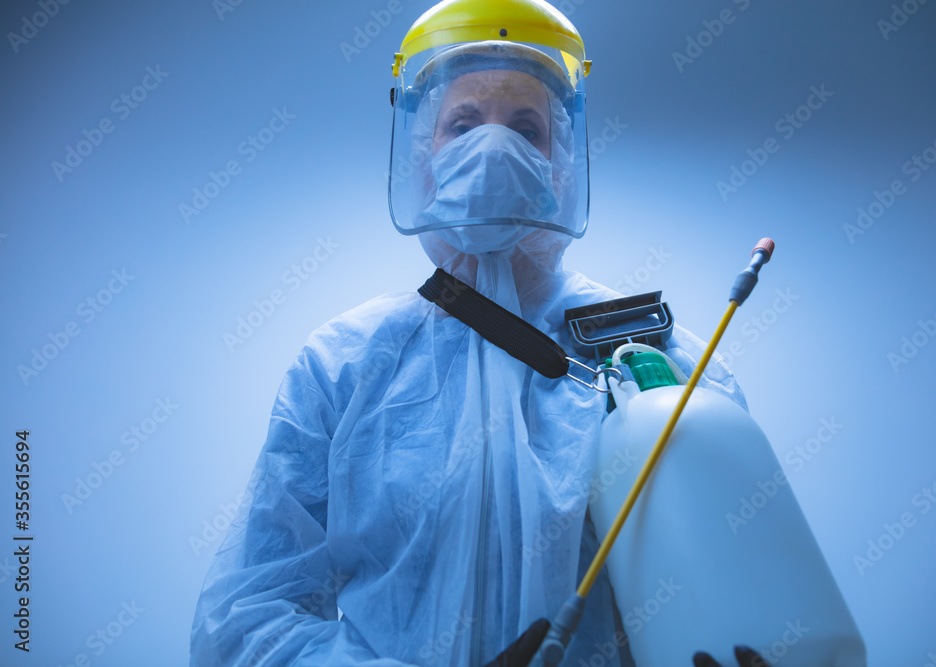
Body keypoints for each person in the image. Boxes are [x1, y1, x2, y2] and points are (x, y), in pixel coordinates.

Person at [189, 1, 755, 665]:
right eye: (463, 124)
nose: (493, 148)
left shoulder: (659, 359)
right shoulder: (344, 366)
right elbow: (248, 619)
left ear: (560, 165)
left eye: (525, 128)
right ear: (423, 160)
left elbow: (747, 581)